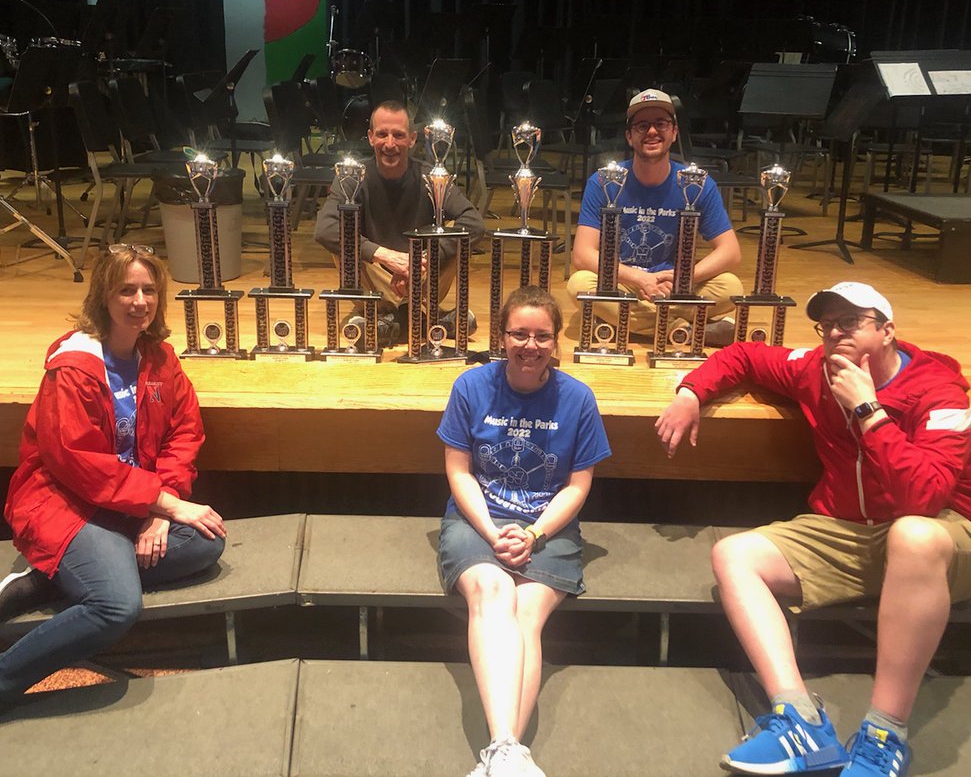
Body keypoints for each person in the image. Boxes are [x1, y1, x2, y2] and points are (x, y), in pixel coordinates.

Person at [655, 281, 971, 777]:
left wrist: (868, 410)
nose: (835, 334)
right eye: (827, 325)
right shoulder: (816, 368)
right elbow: (745, 355)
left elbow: (923, 498)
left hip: (947, 537)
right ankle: (800, 722)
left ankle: (884, 733)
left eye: (850, 323)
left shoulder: (937, 390)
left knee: (912, 535)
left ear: (886, 330)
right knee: (734, 555)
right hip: (850, 532)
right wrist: (690, 392)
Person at [0, 245, 227, 767]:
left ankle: (55, 578)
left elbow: (184, 435)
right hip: (65, 503)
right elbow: (76, 462)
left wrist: (157, 512)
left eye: (149, 290)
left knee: (206, 543)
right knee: (117, 606)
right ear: (103, 293)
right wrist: (162, 500)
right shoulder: (74, 366)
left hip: (128, 505)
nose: (140, 301)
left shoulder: (160, 360)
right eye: (127, 289)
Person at [438, 286, 611, 777]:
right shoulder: (471, 387)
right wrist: (493, 532)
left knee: (528, 611)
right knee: (493, 590)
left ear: (556, 342)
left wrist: (532, 534)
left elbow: (578, 488)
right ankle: (508, 748)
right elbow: (459, 473)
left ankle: (501, 751)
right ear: (502, 337)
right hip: (478, 518)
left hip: (548, 525)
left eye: (542, 336)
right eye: (519, 334)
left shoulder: (578, 397)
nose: (530, 345)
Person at [566, 88, 743, 346]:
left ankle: (621, 323)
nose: (651, 132)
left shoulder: (697, 183)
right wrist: (639, 279)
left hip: (675, 288)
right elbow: (582, 255)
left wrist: (682, 277)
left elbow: (731, 252)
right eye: (642, 125)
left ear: (674, 132)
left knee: (731, 288)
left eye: (660, 123)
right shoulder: (604, 182)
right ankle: (683, 330)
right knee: (579, 284)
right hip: (623, 282)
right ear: (629, 136)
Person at [314, 99, 485, 345]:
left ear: (412, 139)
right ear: (371, 137)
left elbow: (475, 223)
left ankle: (385, 324)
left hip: (424, 275)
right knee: (341, 240)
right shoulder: (351, 176)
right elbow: (324, 228)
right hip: (375, 274)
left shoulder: (432, 176)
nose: (390, 144)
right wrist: (385, 256)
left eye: (398, 135)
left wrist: (419, 261)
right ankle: (424, 320)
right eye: (382, 134)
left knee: (457, 238)